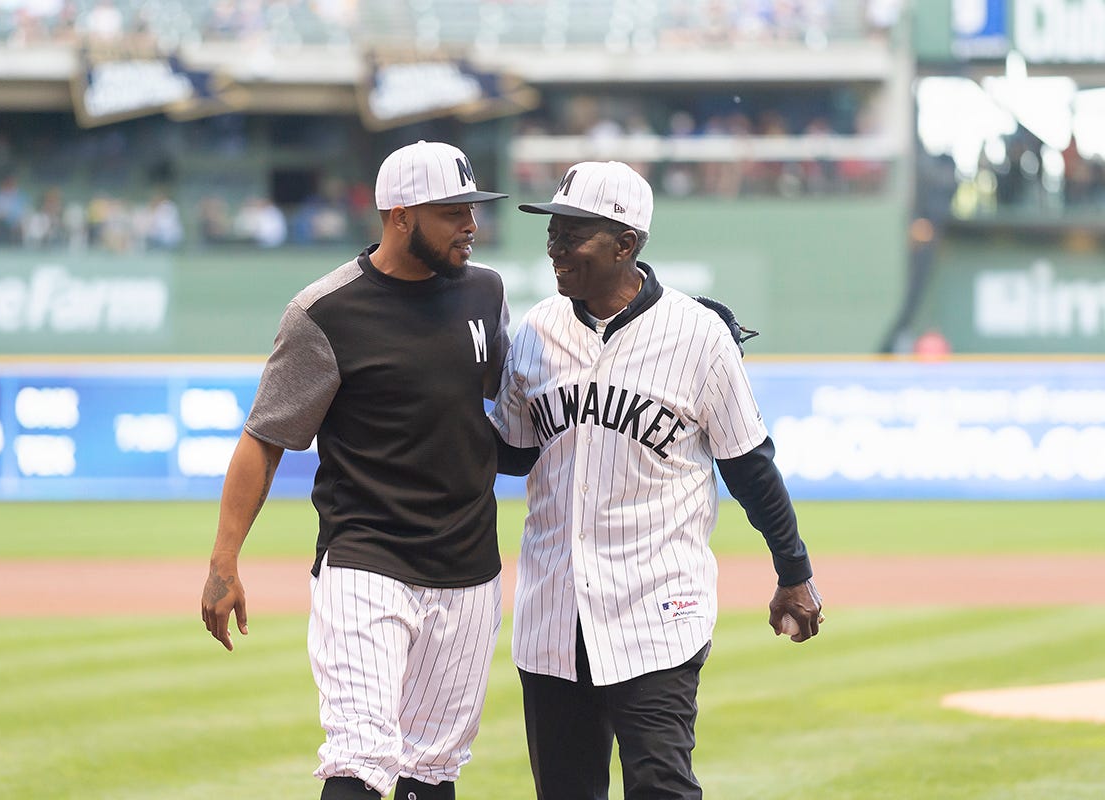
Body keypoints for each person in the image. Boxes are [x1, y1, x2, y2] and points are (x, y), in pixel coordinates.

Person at [490, 160, 824, 799]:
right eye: (553, 230)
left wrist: (794, 572)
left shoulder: (698, 336)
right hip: (553, 612)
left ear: (626, 244)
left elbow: (749, 465)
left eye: (574, 232)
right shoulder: (536, 331)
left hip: (657, 609)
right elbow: (511, 453)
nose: (556, 246)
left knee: (662, 788)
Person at [201, 140, 511, 800]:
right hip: (366, 560)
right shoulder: (325, 312)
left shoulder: (487, 292)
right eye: (452, 211)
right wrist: (224, 561)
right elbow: (265, 439)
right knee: (363, 757)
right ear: (400, 216)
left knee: (432, 768)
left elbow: (487, 414)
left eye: (471, 209)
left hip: (469, 567)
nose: (471, 225)